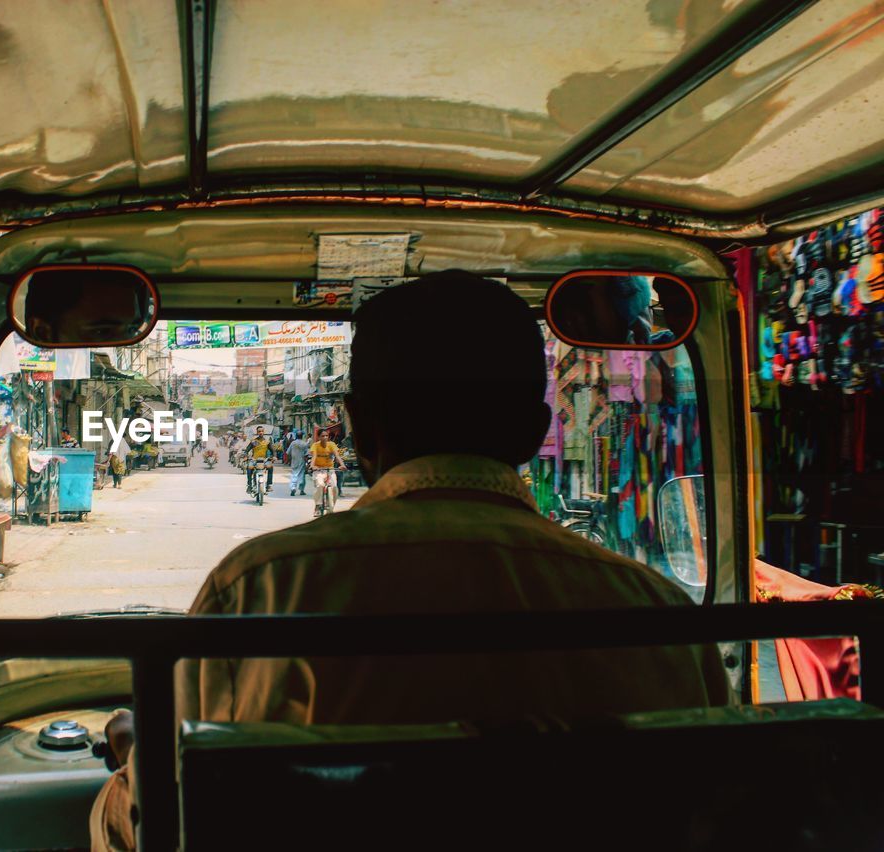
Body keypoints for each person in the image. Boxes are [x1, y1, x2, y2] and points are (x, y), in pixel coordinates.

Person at [91, 271, 731, 850]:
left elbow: (159, 821)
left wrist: (131, 759)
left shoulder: (257, 590)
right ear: (538, 435)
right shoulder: (661, 617)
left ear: (359, 428)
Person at [308, 428, 346, 516]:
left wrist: (342, 465)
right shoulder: (315, 445)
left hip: (330, 469)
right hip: (319, 470)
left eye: (326, 436)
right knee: (320, 485)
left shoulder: (331, 445)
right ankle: (318, 505)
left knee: (335, 487)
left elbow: (337, 456)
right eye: (322, 436)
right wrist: (313, 466)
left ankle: (332, 505)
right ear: (318, 437)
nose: (325, 437)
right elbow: (314, 457)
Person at [244, 425, 276, 493]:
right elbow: (247, 450)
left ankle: (269, 485)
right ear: (257, 432)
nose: (260, 432)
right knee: (249, 468)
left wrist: (274, 456)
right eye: (259, 431)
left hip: (264, 460)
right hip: (254, 460)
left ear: (264, 432)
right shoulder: (254, 441)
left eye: (262, 431)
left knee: (270, 467)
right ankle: (249, 485)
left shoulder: (267, 441)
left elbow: (273, 450)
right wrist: (245, 456)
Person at [286, 430, 310, 496]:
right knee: (302, 476)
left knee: (294, 474)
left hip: (294, 461)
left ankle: (293, 487)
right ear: (302, 436)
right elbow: (306, 455)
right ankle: (301, 490)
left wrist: (288, 460)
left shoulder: (293, 443)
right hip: (302, 461)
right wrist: (307, 463)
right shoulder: (304, 444)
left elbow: (288, 453)